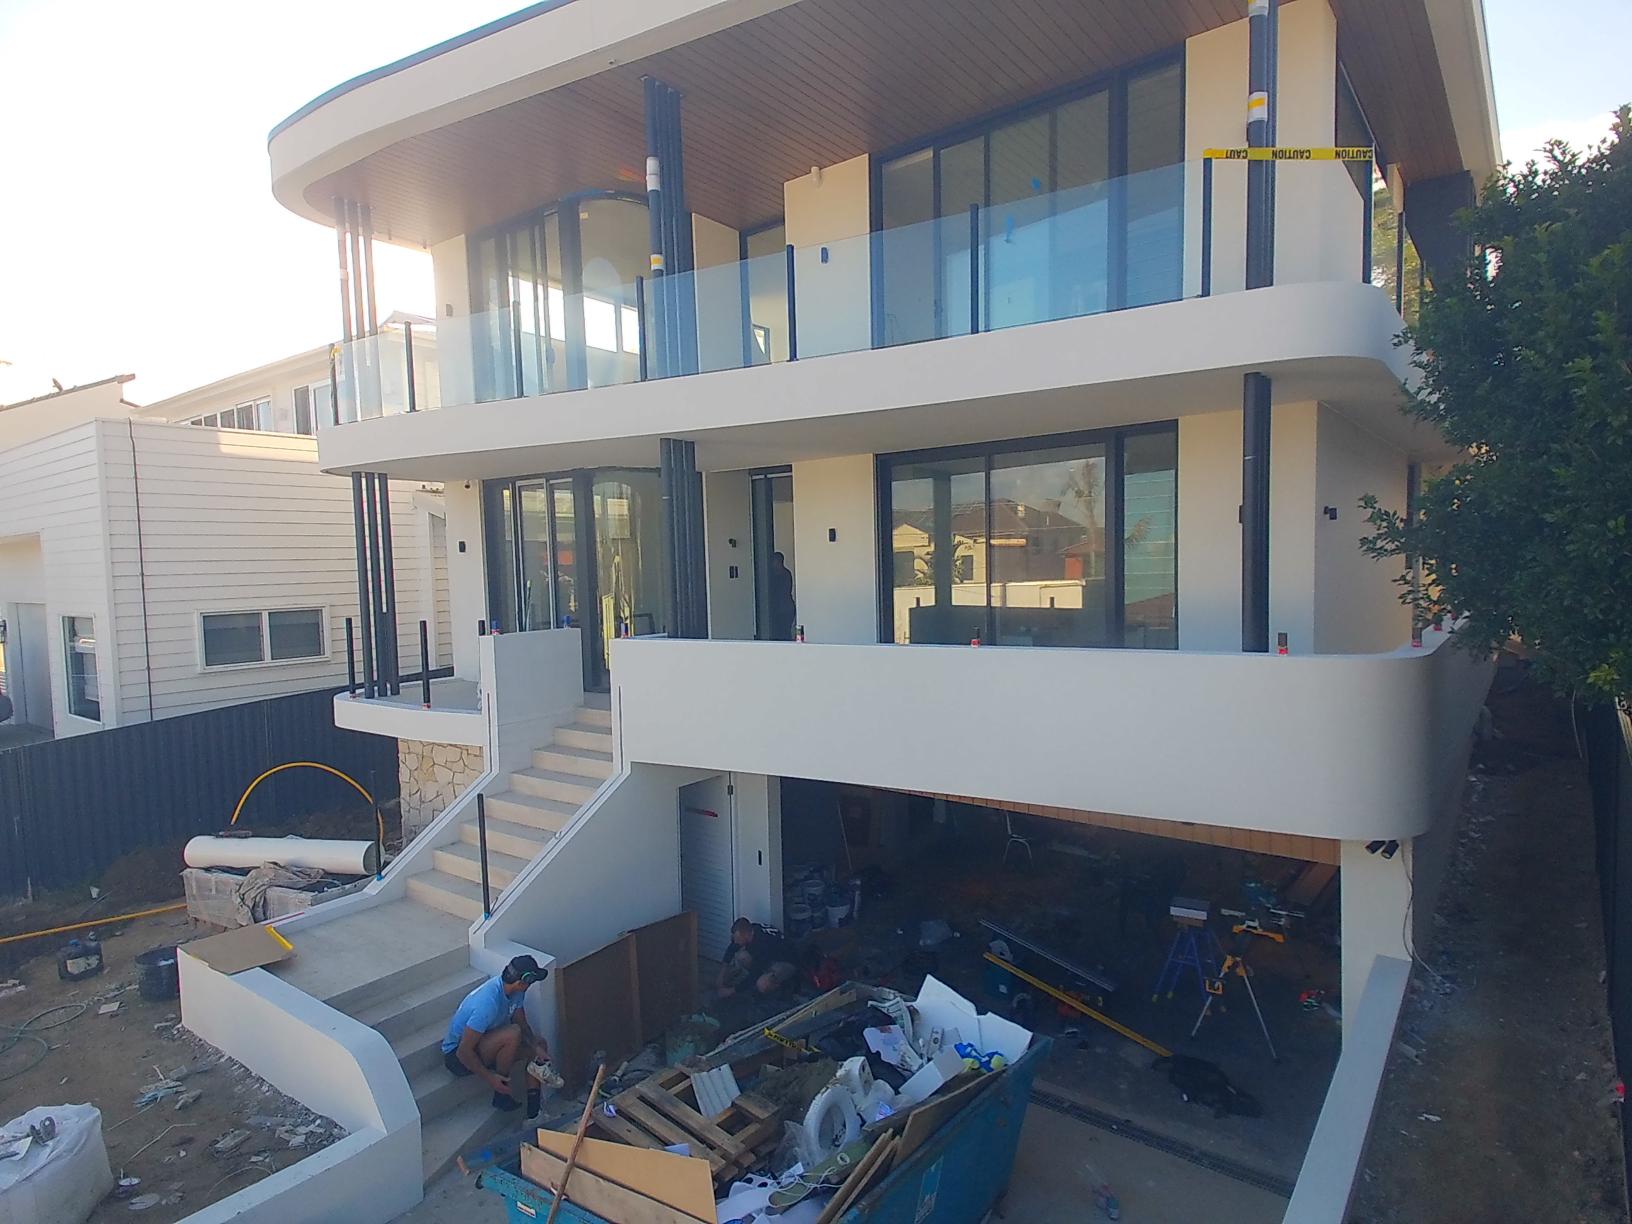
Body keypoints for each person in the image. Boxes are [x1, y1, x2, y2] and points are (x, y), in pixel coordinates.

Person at [441, 954, 550, 1113]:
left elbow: (522, 1023)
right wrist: (491, 1079)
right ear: (522, 982)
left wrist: (535, 1048)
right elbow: (463, 1051)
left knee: (539, 1044)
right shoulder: (487, 1003)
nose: (530, 986)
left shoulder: (516, 991)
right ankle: (501, 1094)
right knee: (513, 1033)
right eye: (531, 982)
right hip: (456, 1057)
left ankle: (534, 1114)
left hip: (483, 1043)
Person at [717, 918, 796, 998]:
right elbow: (732, 948)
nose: (736, 942)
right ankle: (758, 980)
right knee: (741, 956)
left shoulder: (763, 943)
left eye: (738, 939)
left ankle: (780, 987)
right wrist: (721, 975)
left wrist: (730, 991)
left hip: (786, 962)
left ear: (746, 935)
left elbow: (756, 972)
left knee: (762, 984)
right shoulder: (750, 930)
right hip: (769, 959)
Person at [768, 552, 796, 641]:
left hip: (785, 609)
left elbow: (783, 591)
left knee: (784, 632)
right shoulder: (775, 574)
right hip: (782, 608)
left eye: (774, 561)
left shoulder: (785, 574)